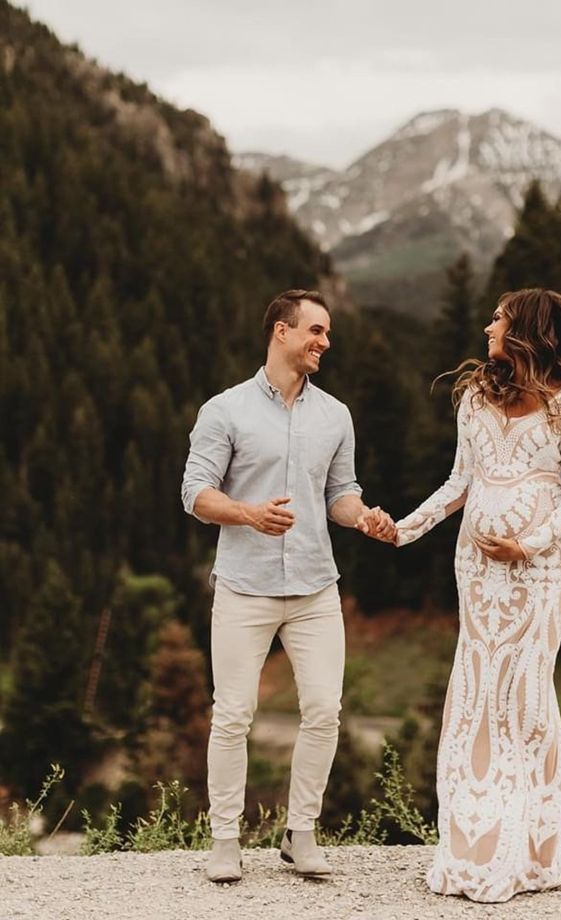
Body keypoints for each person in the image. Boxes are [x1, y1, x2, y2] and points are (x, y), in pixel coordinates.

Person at [361, 288, 561, 903]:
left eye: (499, 317)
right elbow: (459, 481)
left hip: (540, 570)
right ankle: (474, 847)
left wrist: (530, 542)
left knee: (524, 694)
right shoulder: (475, 397)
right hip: (477, 570)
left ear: (528, 330)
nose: (488, 325)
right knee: (477, 692)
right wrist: (403, 530)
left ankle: (530, 850)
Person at [181, 289, 391, 884]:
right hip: (244, 587)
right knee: (234, 715)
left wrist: (364, 517)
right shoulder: (224, 410)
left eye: (327, 333)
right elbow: (194, 493)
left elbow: (339, 496)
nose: (325, 342)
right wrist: (248, 514)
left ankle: (301, 834)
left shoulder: (336, 416)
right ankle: (225, 840)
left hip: (315, 588)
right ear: (281, 331)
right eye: (316, 331)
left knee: (325, 710)